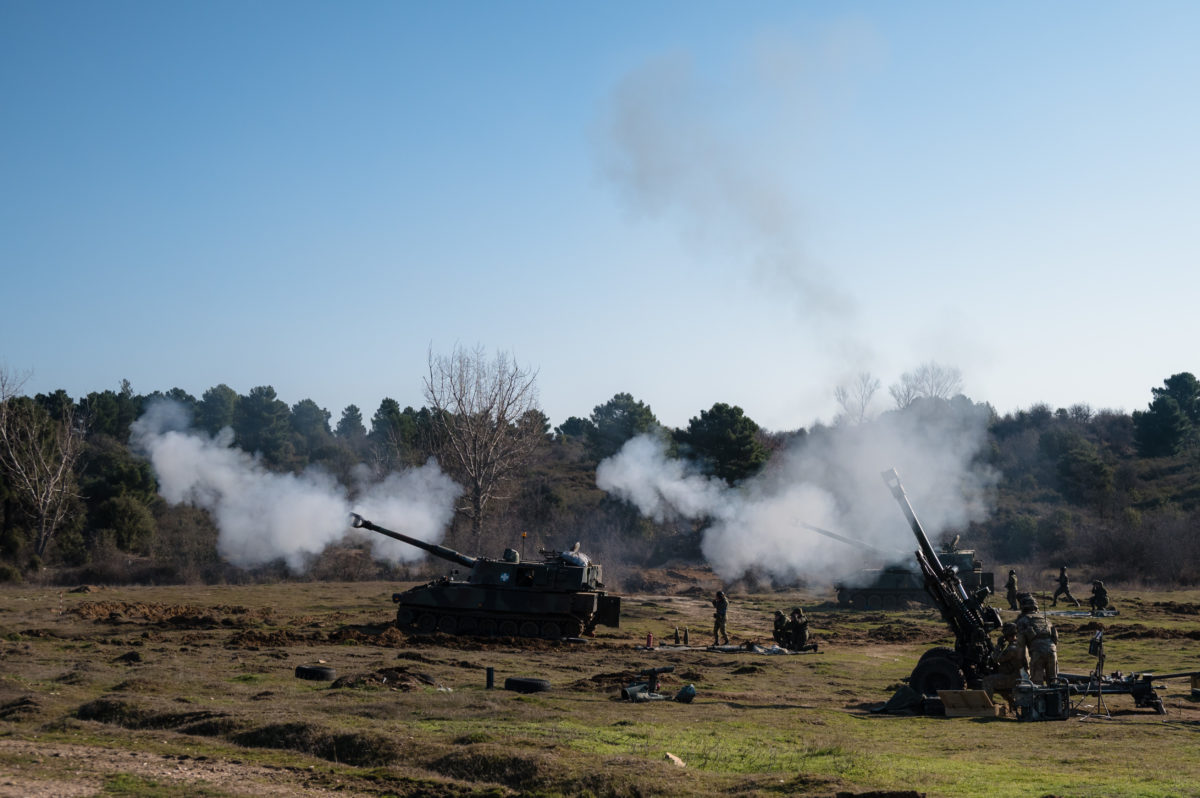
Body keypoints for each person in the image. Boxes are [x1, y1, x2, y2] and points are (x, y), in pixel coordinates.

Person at [982, 622, 1028, 712]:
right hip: (1022, 676)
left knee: (987, 680)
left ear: (1007, 635)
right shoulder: (1022, 645)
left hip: (1015, 679)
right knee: (1000, 678)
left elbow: (996, 659)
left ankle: (987, 708)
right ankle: (1012, 704)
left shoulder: (1012, 649)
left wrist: (999, 645)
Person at [1015, 593, 1058, 685]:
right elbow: (1055, 638)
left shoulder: (1022, 621)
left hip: (1037, 654)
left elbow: (1020, 646)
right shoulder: (1046, 619)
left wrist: (1021, 665)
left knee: (1037, 685)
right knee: (1053, 683)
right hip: (1052, 652)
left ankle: (1040, 699)